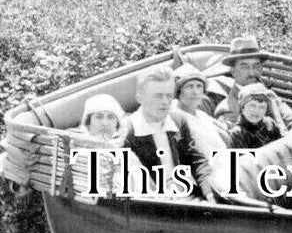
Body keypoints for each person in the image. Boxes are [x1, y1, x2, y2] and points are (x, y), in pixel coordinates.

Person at [123, 66, 214, 200]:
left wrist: (210, 193)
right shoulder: (127, 130)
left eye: (169, 95)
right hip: (153, 206)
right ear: (140, 98)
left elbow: (197, 160)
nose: (165, 102)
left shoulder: (178, 121)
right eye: (158, 96)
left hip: (189, 198)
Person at [212, 36, 292, 133]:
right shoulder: (228, 109)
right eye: (244, 66)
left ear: (261, 68)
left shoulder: (270, 95)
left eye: (256, 65)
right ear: (233, 71)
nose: (252, 72)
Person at [69, 93, 135, 199]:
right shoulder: (77, 151)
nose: (105, 123)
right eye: (99, 117)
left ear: (117, 125)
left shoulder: (127, 156)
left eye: (111, 117)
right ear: (88, 123)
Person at [171, 63, 231, 158]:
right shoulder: (173, 117)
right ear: (179, 91)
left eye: (199, 86)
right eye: (189, 86)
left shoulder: (202, 115)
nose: (195, 92)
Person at [227, 83, 283, 150]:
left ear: (266, 111)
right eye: (252, 105)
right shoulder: (238, 133)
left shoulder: (270, 124)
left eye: (262, 107)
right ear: (242, 108)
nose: (257, 111)